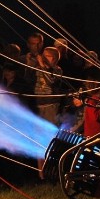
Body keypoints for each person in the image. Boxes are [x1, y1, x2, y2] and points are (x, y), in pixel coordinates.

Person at [33, 46, 63, 179]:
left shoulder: (57, 70)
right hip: (39, 106)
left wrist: (42, 65)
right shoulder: (39, 68)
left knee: (50, 139)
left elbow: (51, 81)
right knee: (39, 140)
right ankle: (42, 174)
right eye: (43, 55)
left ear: (55, 59)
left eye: (48, 56)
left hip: (51, 106)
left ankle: (54, 172)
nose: (44, 58)